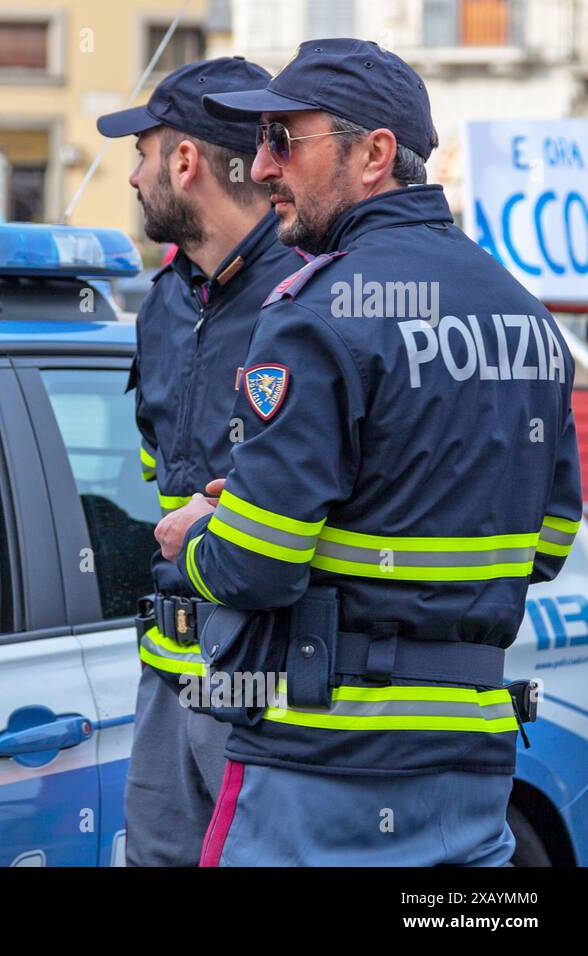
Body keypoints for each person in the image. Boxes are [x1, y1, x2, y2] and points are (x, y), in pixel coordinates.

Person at [154, 37, 581, 866]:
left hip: (323, 768)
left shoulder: (315, 314)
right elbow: (549, 543)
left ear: (375, 154)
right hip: (471, 765)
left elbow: (257, 565)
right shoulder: (526, 316)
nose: (262, 167)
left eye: (285, 139)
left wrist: (195, 536)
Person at [96, 56, 303, 866]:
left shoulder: (311, 297)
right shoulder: (165, 300)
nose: (134, 175)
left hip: (267, 683)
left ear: (185, 162)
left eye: (143, 153)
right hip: (168, 671)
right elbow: (163, 471)